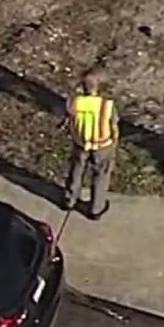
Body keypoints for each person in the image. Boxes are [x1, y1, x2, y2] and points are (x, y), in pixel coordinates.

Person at [61, 71, 118, 220]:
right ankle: (96, 208)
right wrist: (114, 140)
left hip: (80, 143)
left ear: (83, 87)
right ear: (97, 87)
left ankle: (69, 200)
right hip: (102, 144)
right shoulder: (106, 105)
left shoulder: (75, 103)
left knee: (76, 169)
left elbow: (69, 120)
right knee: (101, 174)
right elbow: (114, 125)